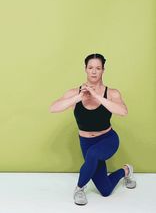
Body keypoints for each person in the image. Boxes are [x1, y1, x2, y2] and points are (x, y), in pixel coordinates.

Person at [49, 53, 136, 205]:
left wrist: (97, 96)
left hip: (108, 139)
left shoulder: (111, 93)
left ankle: (79, 188)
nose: (94, 71)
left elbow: (123, 111)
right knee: (105, 190)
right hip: (86, 142)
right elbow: (53, 108)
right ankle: (126, 170)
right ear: (85, 69)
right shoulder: (74, 93)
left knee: (93, 154)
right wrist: (78, 97)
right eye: (90, 68)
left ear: (103, 70)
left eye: (98, 68)